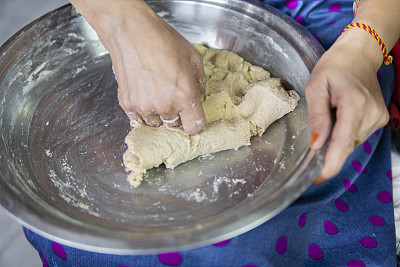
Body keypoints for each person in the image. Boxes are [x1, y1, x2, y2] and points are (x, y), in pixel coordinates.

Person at [24, 0, 400, 266]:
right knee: (99, 244)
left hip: (337, 35)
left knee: (250, 243)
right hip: (148, 13)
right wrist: (121, 20)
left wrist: (363, 47)